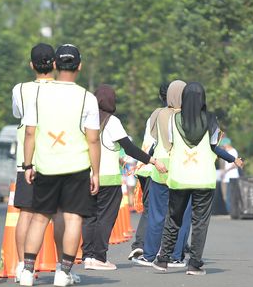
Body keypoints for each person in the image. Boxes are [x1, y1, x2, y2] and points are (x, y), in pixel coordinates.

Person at [19, 44, 100, 287]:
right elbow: (93, 139)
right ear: (79, 66)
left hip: (46, 166)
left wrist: (27, 165)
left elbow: (30, 133)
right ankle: (63, 272)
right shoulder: (87, 98)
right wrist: (96, 172)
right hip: (76, 166)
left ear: (55, 65)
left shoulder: (38, 95)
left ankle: (27, 271)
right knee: (73, 218)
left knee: (40, 218)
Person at [153, 82, 242, 275]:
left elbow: (171, 142)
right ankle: (194, 264)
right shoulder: (211, 119)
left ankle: (163, 260)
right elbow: (213, 146)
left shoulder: (174, 119)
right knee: (200, 222)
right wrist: (232, 159)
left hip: (179, 176)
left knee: (173, 218)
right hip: (204, 177)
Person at [81, 84, 164, 270]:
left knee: (89, 218)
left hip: (86, 176)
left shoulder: (84, 120)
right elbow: (130, 148)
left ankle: (88, 256)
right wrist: (151, 160)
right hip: (108, 179)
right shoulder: (112, 122)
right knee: (105, 218)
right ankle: (99, 257)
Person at [132, 80, 193, 268]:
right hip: (182, 167)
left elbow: (153, 139)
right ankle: (176, 256)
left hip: (160, 166)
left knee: (157, 213)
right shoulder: (189, 116)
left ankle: (150, 254)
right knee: (181, 214)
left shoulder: (158, 114)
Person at [12, 43, 55, 282]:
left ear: (31, 65)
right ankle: (64, 267)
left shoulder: (20, 89)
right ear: (54, 64)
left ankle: (22, 266)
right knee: (62, 215)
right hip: (56, 159)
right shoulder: (63, 90)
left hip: (26, 161)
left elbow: (18, 115)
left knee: (26, 214)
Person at [128, 82, 169, 261]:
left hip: (144, 166)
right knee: (163, 209)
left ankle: (140, 244)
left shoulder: (153, 115)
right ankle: (157, 247)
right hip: (158, 167)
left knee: (149, 209)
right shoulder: (171, 116)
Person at [219, 137, 240, 213]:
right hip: (226, 178)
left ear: (227, 144)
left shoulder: (233, 151)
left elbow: (235, 164)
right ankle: (230, 211)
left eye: (223, 145)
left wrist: (225, 171)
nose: (223, 147)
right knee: (226, 196)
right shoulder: (226, 152)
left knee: (231, 196)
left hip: (232, 177)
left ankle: (232, 211)